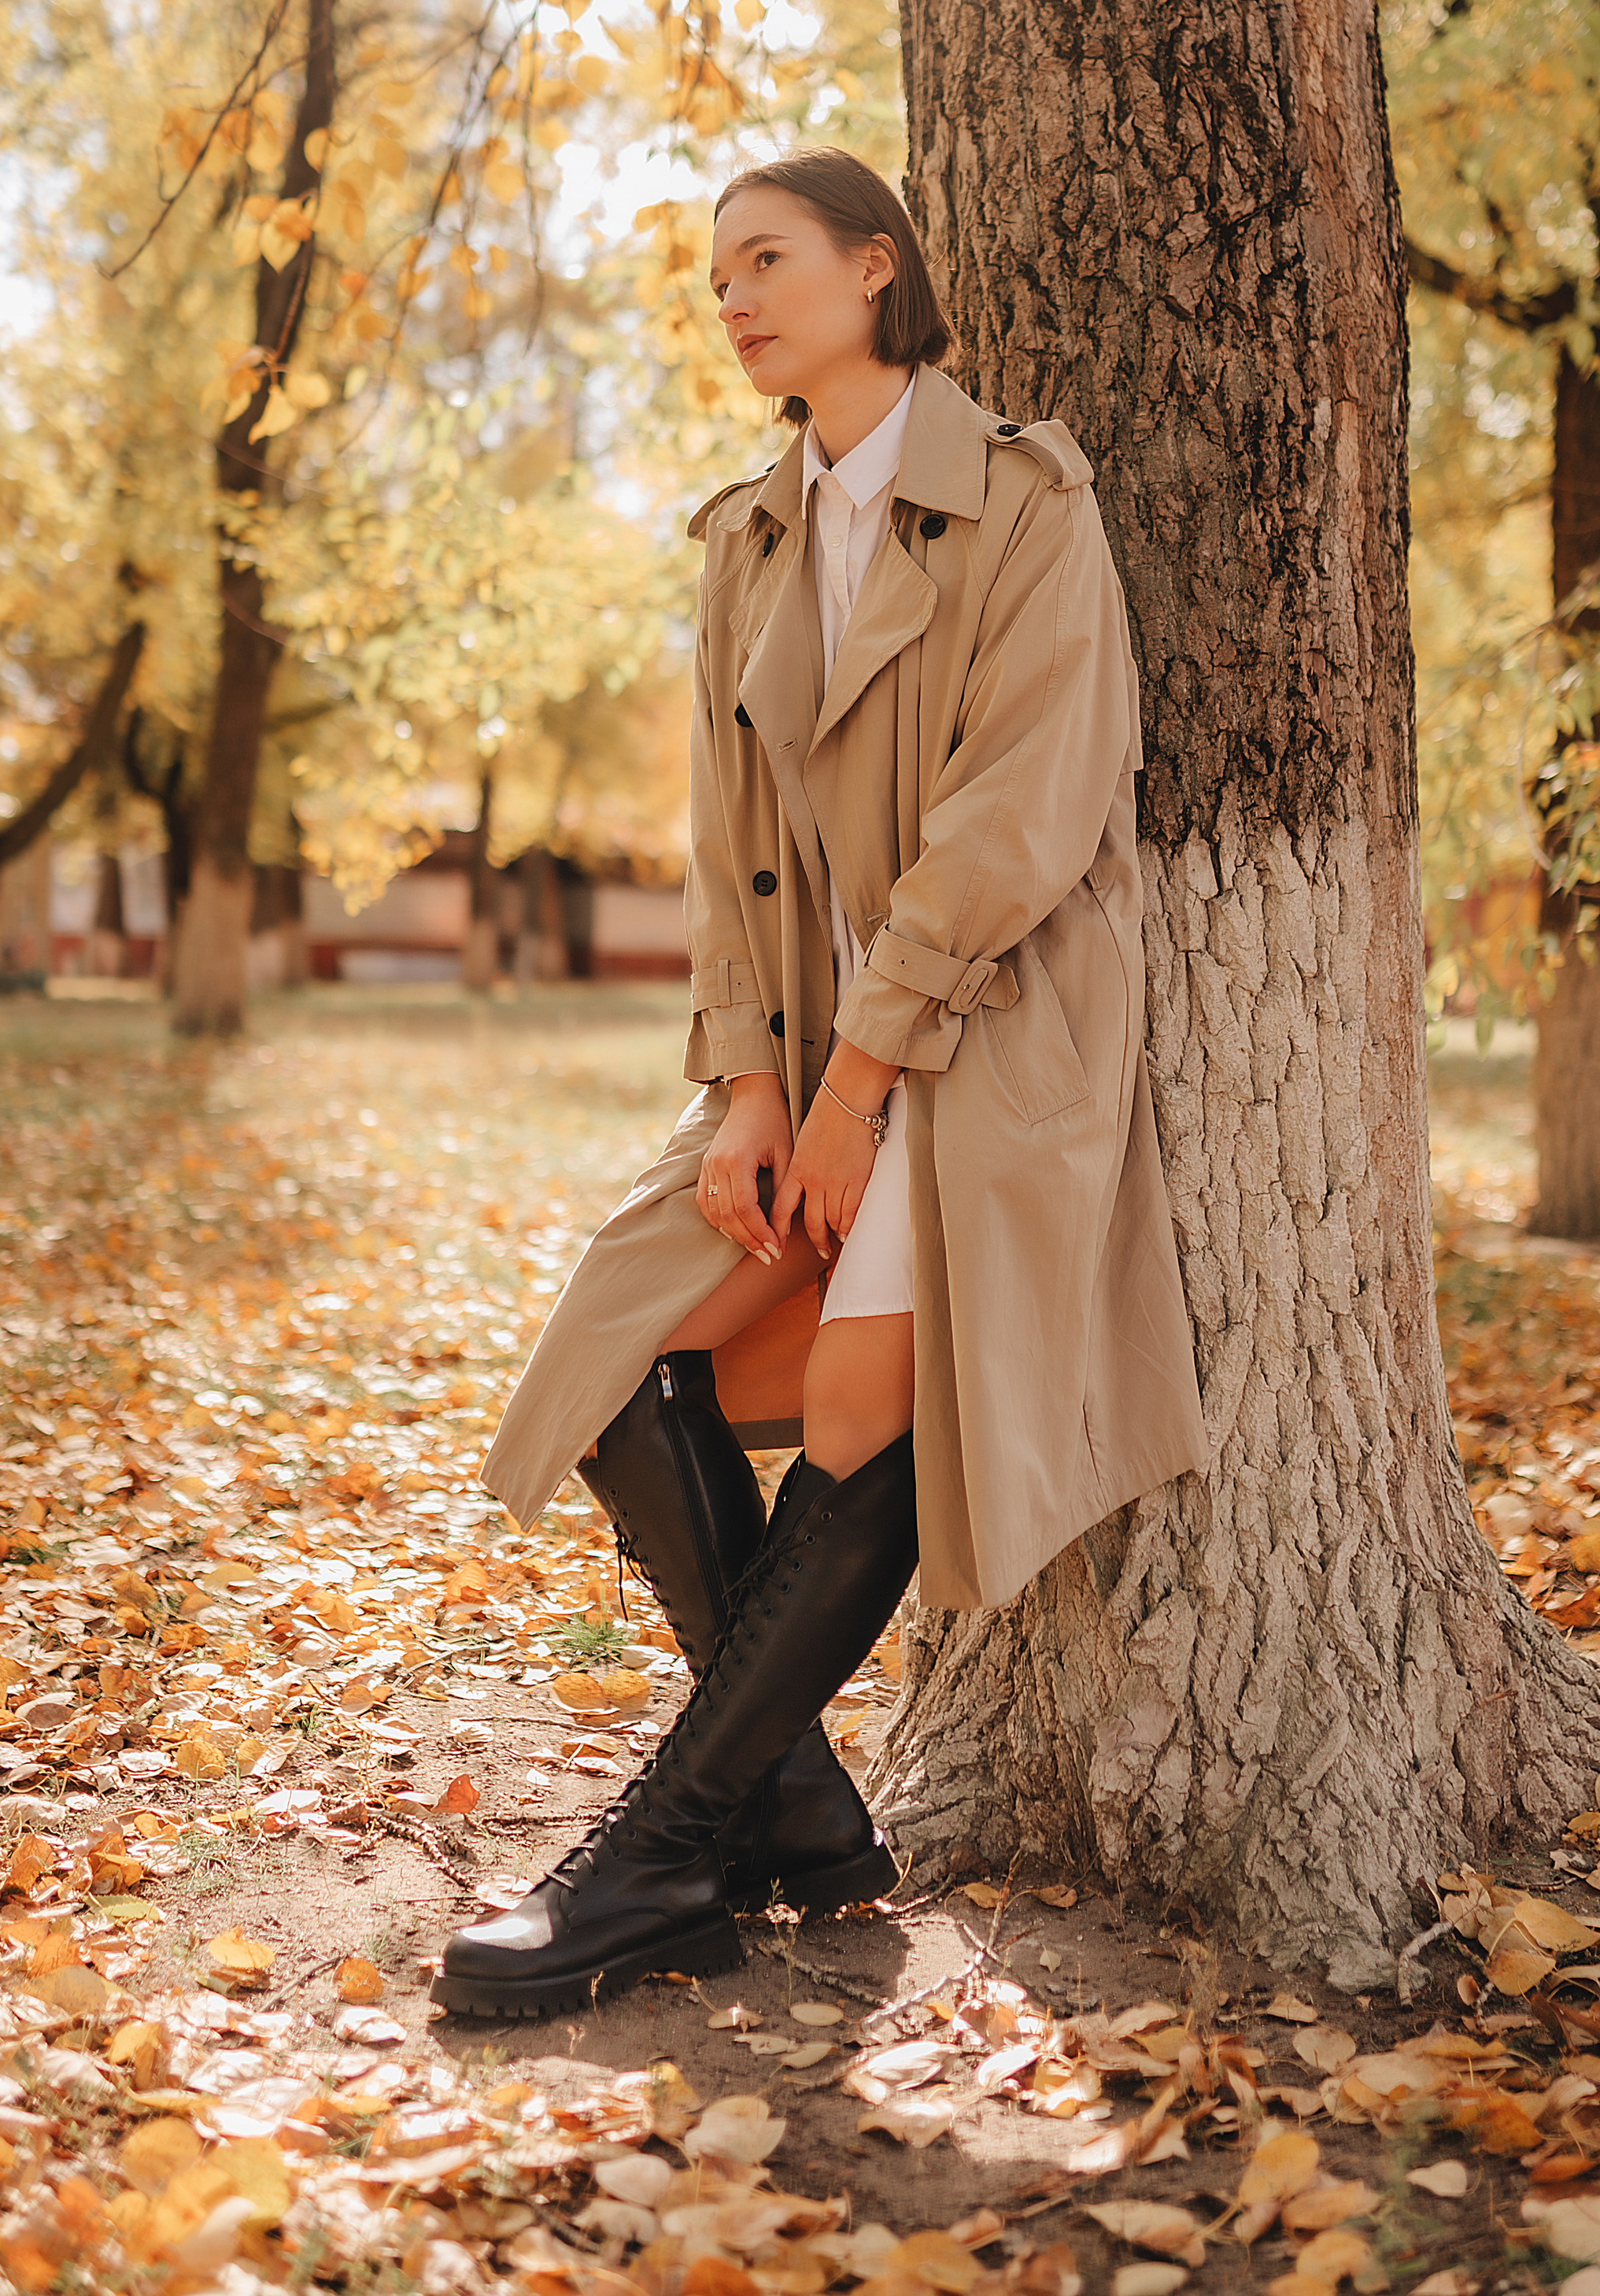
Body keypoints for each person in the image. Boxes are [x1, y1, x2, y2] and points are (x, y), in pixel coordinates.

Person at [434, 150, 1206, 2019]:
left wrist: (863, 1082)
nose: (734, 300)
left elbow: (1022, 820)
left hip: (988, 1039)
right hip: (810, 1058)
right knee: (625, 1364)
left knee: (862, 1404)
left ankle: (655, 1860)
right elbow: (729, 860)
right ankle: (791, 1804)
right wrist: (761, 1085)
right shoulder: (746, 536)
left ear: (879, 268)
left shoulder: (1025, 501)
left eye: (766, 261)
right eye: (714, 279)